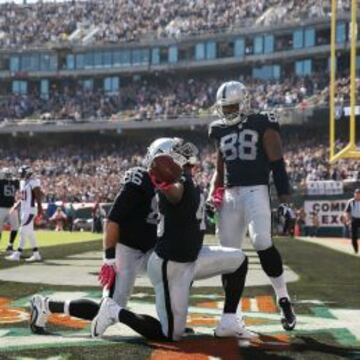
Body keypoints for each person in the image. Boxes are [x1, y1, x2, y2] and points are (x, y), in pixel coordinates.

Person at [91, 137, 255, 341]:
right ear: (165, 161)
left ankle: (229, 321)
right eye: (178, 155)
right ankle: (115, 311)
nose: (186, 158)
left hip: (190, 257)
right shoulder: (171, 183)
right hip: (170, 263)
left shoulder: (186, 179)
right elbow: (174, 194)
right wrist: (109, 257)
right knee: (171, 334)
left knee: (239, 259)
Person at [208, 81, 296, 331]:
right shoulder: (218, 129)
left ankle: (283, 299)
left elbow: (278, 165)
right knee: (228, 255)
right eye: (224, 108)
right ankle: (232, 314)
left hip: (255, 190)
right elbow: (219, 170)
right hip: (229, 196)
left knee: (261, 242)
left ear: (244, 103)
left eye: (232, 107)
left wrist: (286, 202)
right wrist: (211, 195)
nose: (227, 112)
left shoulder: (262, 122)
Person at [29, 164, 158, 334]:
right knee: (108, 310)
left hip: (149, 248)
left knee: (174, 272)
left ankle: (170, 322)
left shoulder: (176, 183)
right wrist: (109, 259)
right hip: (126, 250)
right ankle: (46, 305)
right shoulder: (141, 180)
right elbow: (112, 219)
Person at [5, 165, 43, 262]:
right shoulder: (23, 182)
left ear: (28, 172)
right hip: (24, 210)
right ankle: (36, 254)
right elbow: (23, 198)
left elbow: (38, 195)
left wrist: (40, 208)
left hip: (30, 210)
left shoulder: (33, 182)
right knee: (30, 233)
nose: (20, 174)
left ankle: (18, 253)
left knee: (22, 230)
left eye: (22, 172)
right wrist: (16, 205)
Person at [0, 168, 20, 254]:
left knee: (15, 227)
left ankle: (10, 246)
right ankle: (10, 245)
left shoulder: (1, 182)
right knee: (15, 227)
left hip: (7, 208)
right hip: (8, 207)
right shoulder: (15, 182)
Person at [345, 188, 360, 253]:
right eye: (356, 193)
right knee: (353, 237)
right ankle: (356, 250)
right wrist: (348, 220)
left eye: (359, 194)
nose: (358, 195)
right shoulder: (351, 201)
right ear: (354, 194)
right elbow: (347, 212)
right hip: (354, 219)